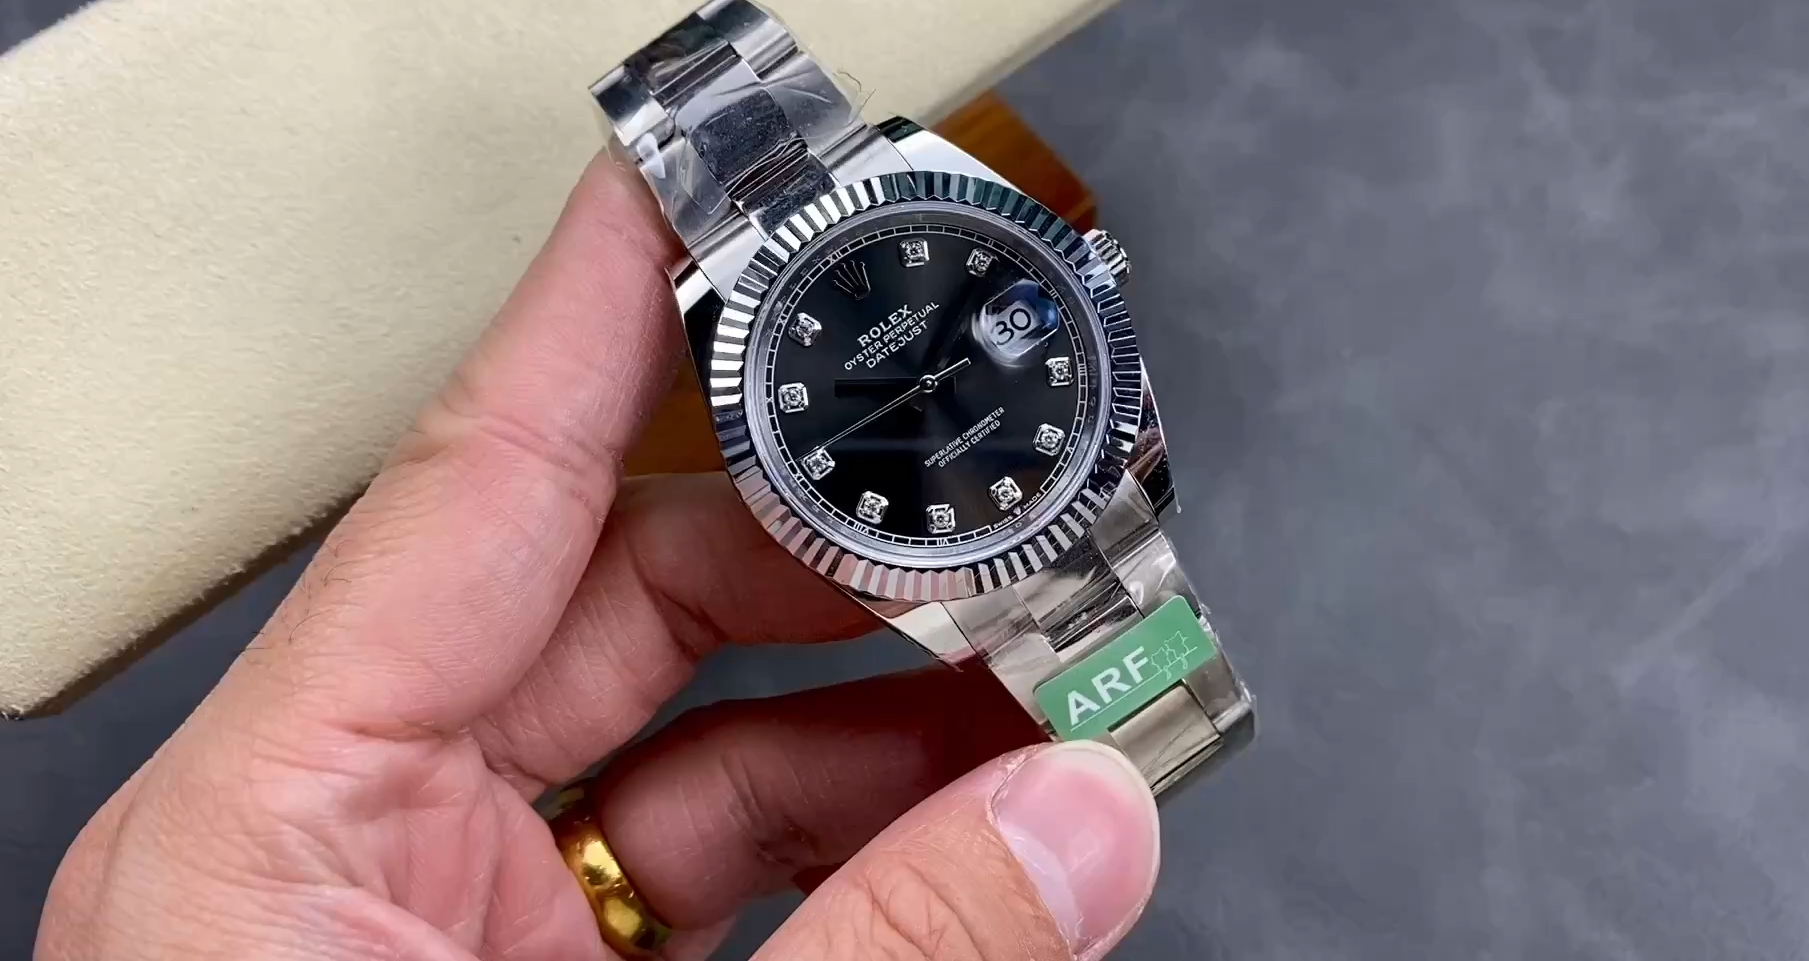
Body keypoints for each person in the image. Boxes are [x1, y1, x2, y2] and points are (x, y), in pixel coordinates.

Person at [34, 156, 1162, 961]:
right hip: (950, 511)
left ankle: (1153, 700)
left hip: (1020, 477)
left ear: (1083, 270)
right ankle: (1157, 711)